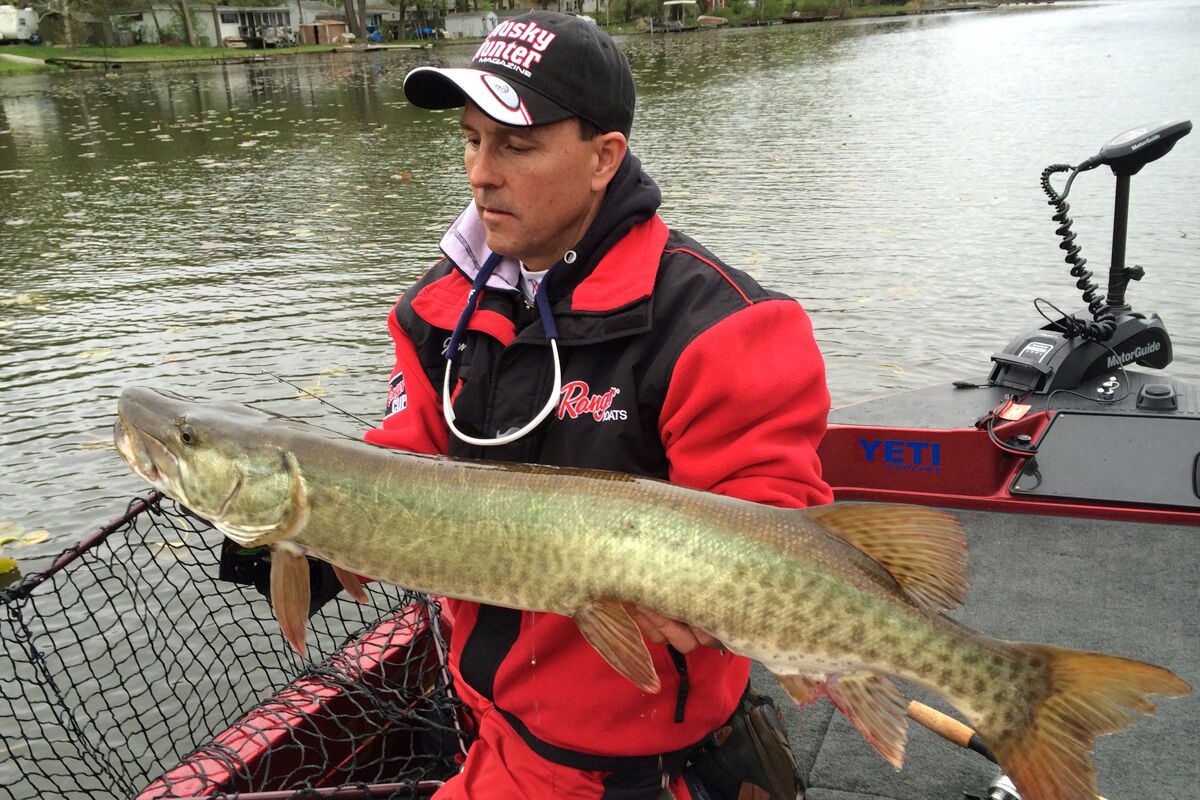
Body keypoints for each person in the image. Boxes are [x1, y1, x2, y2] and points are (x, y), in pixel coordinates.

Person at [365, 11, 833, 799]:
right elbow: (402, 464)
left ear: (602, 158)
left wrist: (713, 592)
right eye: (472, 140)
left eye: (515, 145)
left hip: (641, 769)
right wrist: (299, 535)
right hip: (494, 739)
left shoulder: (722, 326)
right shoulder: (436, 310)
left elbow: (774, 511)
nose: (482, 172)